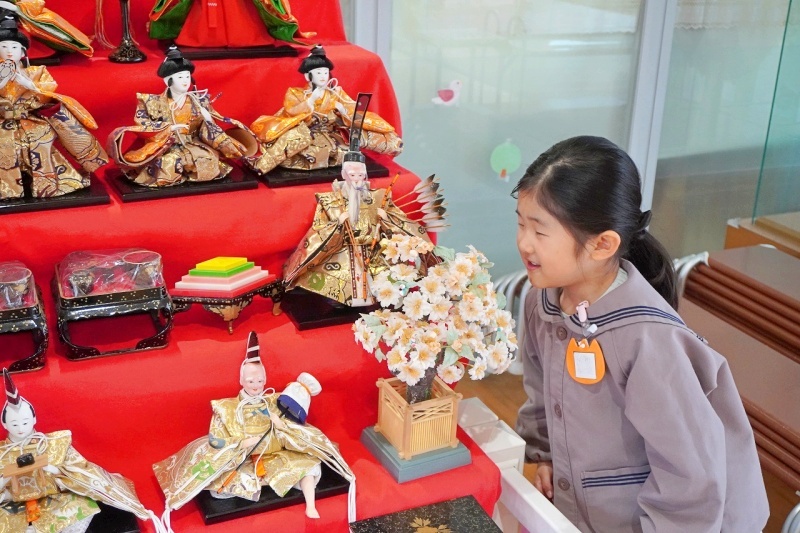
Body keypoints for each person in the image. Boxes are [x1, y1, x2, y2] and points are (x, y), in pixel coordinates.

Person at [513, 136, 769, 532]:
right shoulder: (540, 302)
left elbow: (690, 478)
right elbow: (539, 386)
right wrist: (543, 453)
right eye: (520, 223)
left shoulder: (650, 341)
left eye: (540, 231)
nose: (524, 243)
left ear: (603, 244)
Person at [154, 332, 355, 527]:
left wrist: (281, 426)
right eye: (250, 381)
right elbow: (215, 439)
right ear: (241, 381)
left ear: (265, 380)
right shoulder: (226, 407)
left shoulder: (275, 401)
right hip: (244, 459)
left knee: (309, 467)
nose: (256, 385)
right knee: (218, 486)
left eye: (259, 381)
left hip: (276, 455)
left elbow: (296, 427)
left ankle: (310, 505)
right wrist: (241, 443)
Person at [0, 369, 165, 533]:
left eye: (25, 422)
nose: (21, 428)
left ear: (34, 419)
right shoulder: (2, 452)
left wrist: (53, 469)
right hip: (13, 504)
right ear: (5, 424)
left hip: (54, 498)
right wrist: (5, 478)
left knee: (79, 507)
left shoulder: (55, 443)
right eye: (14, 424)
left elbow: (78, 469)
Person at [283, 151, 430, 307]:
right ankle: (339, 300)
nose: (357, 180)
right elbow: (319, 229)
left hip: (374, 250)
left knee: (387, 279)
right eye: (353, 175)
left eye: (361, 175)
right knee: (335, 281)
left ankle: (382, 297)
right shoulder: (330, 201)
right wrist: (338, 223)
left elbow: (398, 221)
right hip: (343, 250)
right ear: (344, 175)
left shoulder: (380, 197)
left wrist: (387, 219)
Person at [108, 46, 260, 188]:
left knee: (208, 159)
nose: (185, 81)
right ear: (168, 80)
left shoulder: (199, 101)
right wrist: (169, 128)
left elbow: (207, 130)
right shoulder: (151, 102)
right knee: (168, 162)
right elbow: (142, 124)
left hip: (192, 142)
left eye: (187, 76)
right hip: (166, 144)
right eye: (180, 77)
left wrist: (208, 119)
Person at [0, 17, 107, 200]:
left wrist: (25, 82)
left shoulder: (36, 71)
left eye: (15, 47)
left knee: (42, 138)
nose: (10, 51)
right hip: (3, 119)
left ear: (23, 51)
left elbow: (46, 93)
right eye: (4, 46)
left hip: (29, 118)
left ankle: (47, 184)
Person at [250, 45, 402, 172]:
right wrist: (310, 101)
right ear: (308, 76)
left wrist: (342, 110)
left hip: (331, 134)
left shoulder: (336, 92)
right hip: (307, 134)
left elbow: (352, 109)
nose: (323, 76)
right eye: (318, 73)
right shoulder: (296, 93)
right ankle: (262, 165)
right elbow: (291, 111)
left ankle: (393, 145)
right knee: (292, 142)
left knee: (358, 137)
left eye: (325, 72)